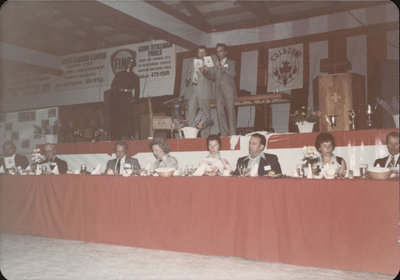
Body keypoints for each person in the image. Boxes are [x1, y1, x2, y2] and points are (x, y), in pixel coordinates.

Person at [185, 45, 214, 137]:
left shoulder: (209, 62)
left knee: (205, 115)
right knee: (190, 114)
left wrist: (205, 72)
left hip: (204, 91)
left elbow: (212, 77)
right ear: (197, 53)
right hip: (193, 91)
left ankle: (205, 137)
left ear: (206, 53)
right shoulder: (192, 62)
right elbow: (189, 76)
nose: (201, 54)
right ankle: (190, 136)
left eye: (203, 52)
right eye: (199, 52)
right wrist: (188, 79)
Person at [110, 57, 140, 140]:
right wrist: (115, 97)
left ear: (133, 65)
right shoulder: (119, 75)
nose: (129, 65)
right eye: (128, 63)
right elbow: (113, 87)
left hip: (128, 97)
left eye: (131, 63)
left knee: (129, 117)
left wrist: (135, 99)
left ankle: (129, 134)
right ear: (125, 64)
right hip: (119, 97)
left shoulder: (135, 77)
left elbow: (137, 89)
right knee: (119, 117)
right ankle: (119, 135)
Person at [212, 43, 237, 136]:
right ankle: (224, 133)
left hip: (228, 91)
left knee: (230, 112)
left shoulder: (231, 62)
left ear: (225, 52)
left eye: (220, 51)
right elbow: (212, 77)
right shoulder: (215, 64)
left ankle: (233, 133)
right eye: (217, 51)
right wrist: (206, 71)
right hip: (218, 92)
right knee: (220, 113)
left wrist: (221, 67)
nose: (218, 53)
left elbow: (233, 74)